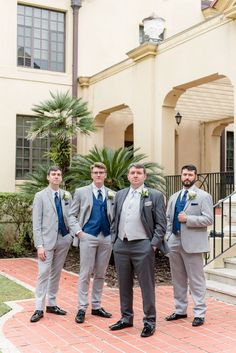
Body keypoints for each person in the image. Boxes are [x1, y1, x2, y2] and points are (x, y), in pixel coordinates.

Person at [109, 163, 168, 338]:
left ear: (144, 176)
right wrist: (114, 241)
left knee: (146, 285)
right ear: (128, 176)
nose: (135, 175)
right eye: (132, 173)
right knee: (124, 284)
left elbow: (161, 223)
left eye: (139, 173)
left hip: (143, 245)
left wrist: (154, 244)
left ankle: (149, 321)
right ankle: (126, 318)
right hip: (121, 245)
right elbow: (114, 219)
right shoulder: (119, 195)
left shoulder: (155, 195)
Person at [165, 164, 213, 327]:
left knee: (196, 280)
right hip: (174, 242)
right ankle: (180, 310)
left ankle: (199, 312)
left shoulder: (203, 196)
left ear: (196, 177)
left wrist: (189, 220)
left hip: (193, 244)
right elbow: (168, 219)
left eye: (190, 175)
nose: (187, 177)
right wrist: (168, 236)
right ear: (181, 176)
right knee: (177, 278)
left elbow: (209, 219)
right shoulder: (174, 196)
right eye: (185, 174)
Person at [68, 162, 115, 324]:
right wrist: (79, 232)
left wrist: (113, 236)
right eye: (95, 172)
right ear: (91, 174)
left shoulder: (112, 194)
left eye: (101, 172)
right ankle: (82, 307)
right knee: (85, 273)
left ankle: (96, 306)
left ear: (105, 175)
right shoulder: (81, 192)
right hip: (88, 235)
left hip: (106, 237)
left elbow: (115, 217)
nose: (98, 175)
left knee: (101, 273)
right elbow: (71, 215)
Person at [30, 166, 73, 323]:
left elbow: (71, 216)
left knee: (56, 272)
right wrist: (39, 245)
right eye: (53, 174)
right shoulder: (40, 196)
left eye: (58, 174)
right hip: (46, 242)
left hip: (63, 239)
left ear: (61, 178)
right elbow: (37, 222)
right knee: (43, 273)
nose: (56, 177)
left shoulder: (66, 195)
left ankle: (52, 304)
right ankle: (39, 308)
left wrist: (71, 235)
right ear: (48, 177)